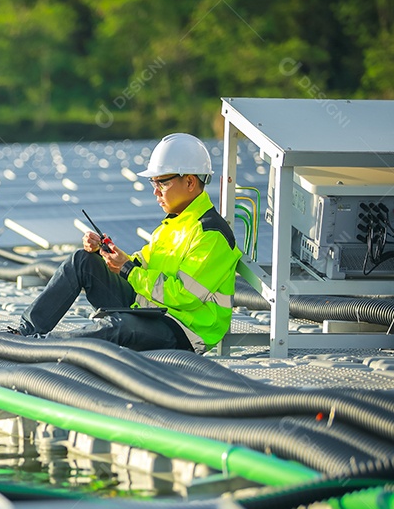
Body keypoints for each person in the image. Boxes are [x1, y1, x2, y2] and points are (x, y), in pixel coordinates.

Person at [17, 133, 243, 353]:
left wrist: (127, 269)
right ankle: (25, 332)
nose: (155, 192)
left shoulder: (211, 234)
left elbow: (184, 296)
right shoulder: (175, 223)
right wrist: (108, 255)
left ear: (190, 182)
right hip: (151, 310)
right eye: (153, 183)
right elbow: (142, 264)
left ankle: (42, 346)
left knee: (118, 327)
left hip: (183, 331)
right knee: (83, 260)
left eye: (161, 183)